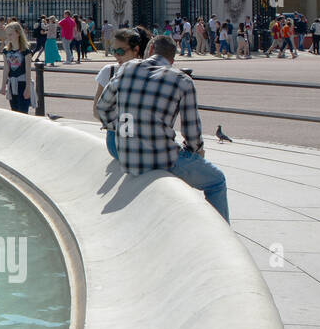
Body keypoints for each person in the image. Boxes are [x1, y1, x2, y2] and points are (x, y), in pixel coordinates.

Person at [96, 34, 229, 222]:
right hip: (163, 158)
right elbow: (191, 131)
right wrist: (195, 151)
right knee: (217, 181)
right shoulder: (182, 80)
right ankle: (221, 234)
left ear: (150, 50)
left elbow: (102, 108)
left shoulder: (125, 69)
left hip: (127, 155)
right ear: (172, 60)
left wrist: (123, 127)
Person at [94, 26, 148, 158]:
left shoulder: (149, 71)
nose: (116, 55)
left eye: (120, 51)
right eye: (114, 51)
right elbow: (96, 111)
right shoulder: (109, 71)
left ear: (136, 50)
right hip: (118, 136)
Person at [0, 21, 34, 114]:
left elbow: (28, 70)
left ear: (18, 33)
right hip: (11, 83)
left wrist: (27, 87)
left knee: (23, 112)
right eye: (7, 35)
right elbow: (6, 69)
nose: (8, 37)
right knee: (14, 111)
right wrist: (3, 86)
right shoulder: (6, 51)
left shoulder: (26, 51)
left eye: (11, 34)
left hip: (22, 83)